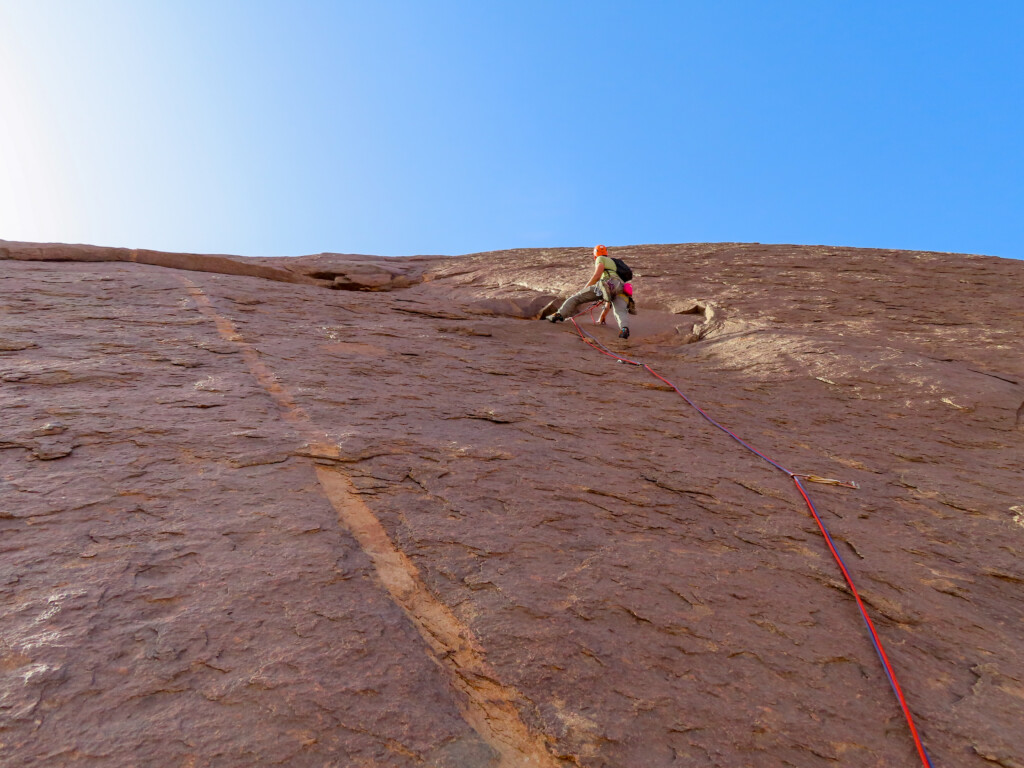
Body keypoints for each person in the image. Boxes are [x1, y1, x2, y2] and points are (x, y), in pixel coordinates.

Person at [547, 245, 630, 339]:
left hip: (606, 284)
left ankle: (559, 314)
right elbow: (608, 299)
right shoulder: (613, 263)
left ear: (595, 255)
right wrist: (602, 316)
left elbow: (597, 276)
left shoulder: (600, 258)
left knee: (576, 297)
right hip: (620, 287)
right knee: (620, 311)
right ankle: (624, 329)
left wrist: (585, 289)